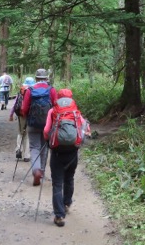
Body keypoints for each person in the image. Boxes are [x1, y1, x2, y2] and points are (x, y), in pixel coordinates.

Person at [43, 88, 90, 227]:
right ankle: (67, 203)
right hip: (72, 153)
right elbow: (85, 130)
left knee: (57, 182)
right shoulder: (75, 113)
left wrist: (47, 140)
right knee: (69, 178)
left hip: (57, 152)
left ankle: (59, 216)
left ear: (58, 98)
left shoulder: (53, 111)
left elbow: (46, 131)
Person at [20, 68, 56, 186]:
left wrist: (26, 117)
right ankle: (42, 172)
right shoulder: (51, 90)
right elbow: (56, 107)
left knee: (34, 147)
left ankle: (36, 171)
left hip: (33, 123)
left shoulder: (30, 90)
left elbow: (24, 108)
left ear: (36, 78)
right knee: (44, 148)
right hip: (48, 124)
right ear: (46, 78)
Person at [8, 76, 34, 160]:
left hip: (21, 115)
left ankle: (18, 149)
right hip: (31, 115)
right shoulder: (34, 91)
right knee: (28, 135)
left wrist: (11, 114)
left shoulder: (21, 91)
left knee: (21, 133)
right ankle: (27, 155)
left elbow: (15, 104)